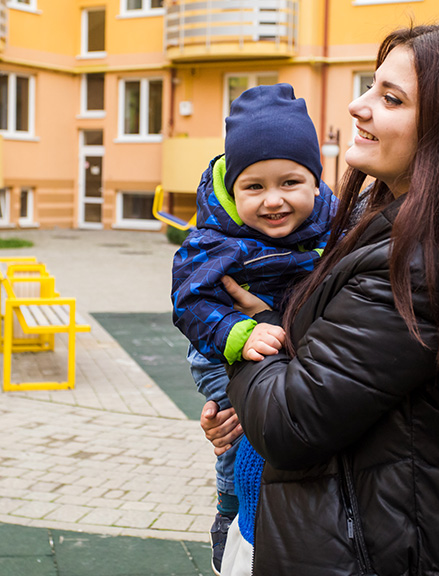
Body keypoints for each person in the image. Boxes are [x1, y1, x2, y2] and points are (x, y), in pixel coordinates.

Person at [205, 24, 439, 575]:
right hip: (359, 533)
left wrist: (249, 335)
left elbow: (289, 425)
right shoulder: (398, 225)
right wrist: (246, 409)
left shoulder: (426, 260)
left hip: (366, 552)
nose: (357, 106)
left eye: (390, 98)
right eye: (370, 87)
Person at [171, 83, 336, 574]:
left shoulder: (333, 227)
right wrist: (237, 334)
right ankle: (230, 514)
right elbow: (189, 301)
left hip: (285, 349)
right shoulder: (216, 240)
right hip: (223, 351)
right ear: (232, 188)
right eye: (254, 187)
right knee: (238, 432)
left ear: (314, 180)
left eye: (290, 183)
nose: (273, 201)